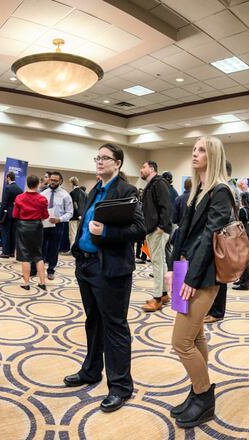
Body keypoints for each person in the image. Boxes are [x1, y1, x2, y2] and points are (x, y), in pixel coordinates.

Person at [63, 143, 145, 413]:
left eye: (105, 158)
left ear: (117, 163)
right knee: (93, 321)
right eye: (97, 157)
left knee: (114, 326)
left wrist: (106, 232)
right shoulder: (94, 189)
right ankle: (91, 370)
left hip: (110, 268)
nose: (99, 161)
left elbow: (139, 229)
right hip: (86, 265)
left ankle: (120, 386)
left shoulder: (127, 191)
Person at [165, 136, 234, 428]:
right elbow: (183, 233)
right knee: (195, 337)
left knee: (181, 342)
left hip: (202, 276)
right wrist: (173, 268)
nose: (195, 154)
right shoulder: (199, 189)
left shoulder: (221, 191)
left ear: (213, 156)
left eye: (201, 150)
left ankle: (204, 396)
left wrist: (191, 278)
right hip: (186, 269)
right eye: (193, 149)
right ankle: (197, 390)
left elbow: (210, 238)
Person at [203, 160, 240, 323]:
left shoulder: (226, 189)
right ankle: (214, 309)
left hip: (223, 237)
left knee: (220, 275)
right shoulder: (230, 187)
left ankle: (217, 311)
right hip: (223, 236)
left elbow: (226, 216)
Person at [140, 160, 174, 313]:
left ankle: (157, 298)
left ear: (152, 169)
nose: (141, 170)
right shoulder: (152, 184)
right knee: (161, 262)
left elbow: (166, 206)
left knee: (157, 264)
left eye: (144, 167)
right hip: (153, 229)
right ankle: (164, 294)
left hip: (158, 230)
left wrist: (161, 226)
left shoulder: (159, 183)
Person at [13, 175, 49, 290]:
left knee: (25, 256)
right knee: (38, 254)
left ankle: (26, 283)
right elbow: (45, 215)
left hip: (23, 227)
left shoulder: (19, 198)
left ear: (27, 183)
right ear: (38, 184)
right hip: (37, 227)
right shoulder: (42, 199)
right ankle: (42, 282)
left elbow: (15, 214)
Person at [35, 171, 73, 280]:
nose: (52, 182)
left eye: (55, 180)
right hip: (43, 224)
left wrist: (59, 219)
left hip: (58, 225)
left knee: (54, 249)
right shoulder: (43, 194)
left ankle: (51, 270)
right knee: (39, 248)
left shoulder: (65, 195)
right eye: (51, 180)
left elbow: (70, 213)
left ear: (60, 181)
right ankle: (35, 269)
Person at [233, 178, 249, 291]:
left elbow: (238, 222)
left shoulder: (243, 211)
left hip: (243, 237)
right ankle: (241, 280)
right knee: (244, 259)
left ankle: (244, 283)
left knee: (242, 260)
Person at [0, 172, 22, 259]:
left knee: (5, 233)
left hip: (7, 214)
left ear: (8, 178)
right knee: (13, 233)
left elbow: (4, 203)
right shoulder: (19, 189)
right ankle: (11, 252)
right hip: (16, 214)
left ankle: (5, 252)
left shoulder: (7, 188)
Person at [68, 176, 88, 248]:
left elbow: (74, 204)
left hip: (74, 216)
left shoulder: (72, 193)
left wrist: (78, 214)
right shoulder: (84, 193)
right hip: (82, 216)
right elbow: (86, 205)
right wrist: (82, 215)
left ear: (71, 183)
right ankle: (78, 249)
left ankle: (72, 250)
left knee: (73, 234)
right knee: (79, 234)